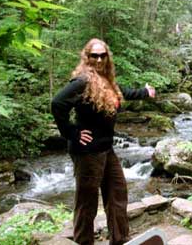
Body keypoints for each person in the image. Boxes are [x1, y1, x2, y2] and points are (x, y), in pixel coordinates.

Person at [51, 38, 156, 245]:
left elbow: (122, 93)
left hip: (106, 149)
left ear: (107, 57)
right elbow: (57, 103)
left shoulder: (106, 80)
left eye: (102, 55)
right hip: (87, 151)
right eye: (94, 56)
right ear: (87, 57)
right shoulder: (82, 81)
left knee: (118, 194)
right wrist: (71, 133)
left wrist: (145, 92)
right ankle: (84, 242)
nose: (99, 59)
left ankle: (120, 240)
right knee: (87, 203)